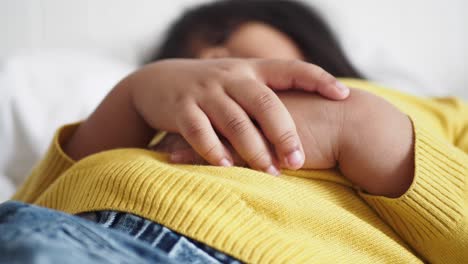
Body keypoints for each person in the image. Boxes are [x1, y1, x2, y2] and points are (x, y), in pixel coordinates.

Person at [4, 0, 467, 263]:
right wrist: (133, 97)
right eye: (184, 55)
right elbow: (34, 203)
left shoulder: (432, 110)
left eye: (224, 34)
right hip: (64, 237)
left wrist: (362, 126)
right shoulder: (151, 122)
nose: (209, 57)